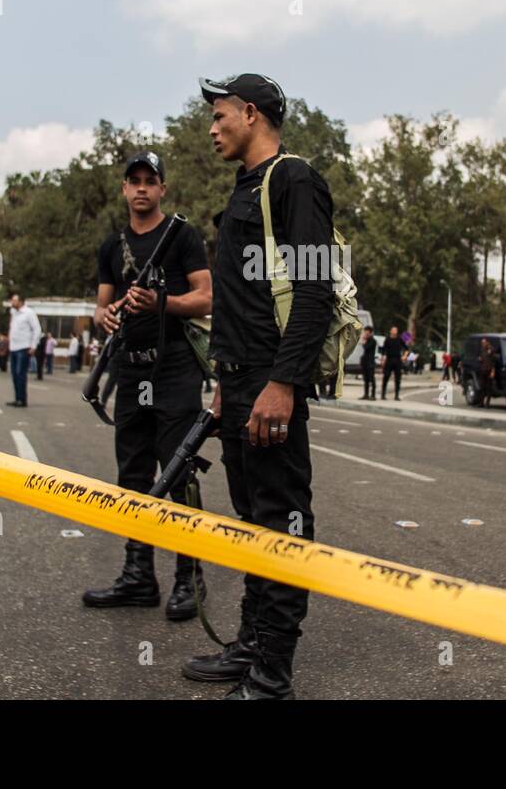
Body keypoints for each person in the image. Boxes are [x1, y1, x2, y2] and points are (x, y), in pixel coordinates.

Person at [180, 72, 334, 700]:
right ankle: (251, 645)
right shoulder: (245, 189)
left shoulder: (293, 180)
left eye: (219, 116)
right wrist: (223, 385)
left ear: (250, 113)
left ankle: (274, 672)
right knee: (251, 519)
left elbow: (315, 290)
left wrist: (284, 385)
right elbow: (239, 305)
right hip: (239, 383)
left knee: (282, 517)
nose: (212, 128)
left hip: (272, 385)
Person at [82, 150, 214, 622]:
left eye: (149, 180)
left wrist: (161, 302)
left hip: (175, 369)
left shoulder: (181, 236)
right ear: (124, 189)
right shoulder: (110, 246)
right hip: (131, 371)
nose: (141, 188)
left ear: (162, 188)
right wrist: (107, 313)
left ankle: (188, 578)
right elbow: (101, 309)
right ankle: (139, 575)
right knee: (133, 475)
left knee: (178, 475)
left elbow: (206, 297)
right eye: (133, 180)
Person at [6, 294, 41, 407]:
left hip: (23, 347)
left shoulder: (29, 312)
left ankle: (22, 399)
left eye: (14, 300)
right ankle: (17, 398)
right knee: (14, 375)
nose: (12, 302)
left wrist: (33, 346)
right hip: (13, 347)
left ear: (21, 302)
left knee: (21, 374)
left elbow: (37, 329)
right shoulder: (13, 313)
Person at [380, 325, 405, 401]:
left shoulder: (400, 339)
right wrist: (383, 359)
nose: (394, 331)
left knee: (398, 379)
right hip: (389, 360)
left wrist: (405, 356)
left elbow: (406, 348)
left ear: (397, 332)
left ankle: (396, 395)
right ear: (390, 331)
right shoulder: (387, 339)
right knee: (386, 377)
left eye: (395, 330)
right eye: (393, 330)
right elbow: (383, 350)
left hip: (398, 360)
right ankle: (383, 394)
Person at [478, 337, 497, 407]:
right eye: (482, 343)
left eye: (483, 342)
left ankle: (487, 403)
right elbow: (481, 358)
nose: (482, 344)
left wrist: (493, 371)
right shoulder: (482, 350)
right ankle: (481, 402)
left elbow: (494, 362)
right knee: (482, 386)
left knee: (489, 387)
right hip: (483, 370)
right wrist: (480, 359)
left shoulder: (491, 349)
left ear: (487, 342)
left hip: (489, 370)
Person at [359, 326, 377, 399]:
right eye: (365, 332)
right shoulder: (367, 340)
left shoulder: (373, 341)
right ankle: (366, 394)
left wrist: (364, 340)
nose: (365, 334)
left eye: (367, 332)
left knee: (371, 379)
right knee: (365, 379)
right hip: (365, 362)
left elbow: (366, 347)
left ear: (370, 333)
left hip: (370, 362)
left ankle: (373, 395)